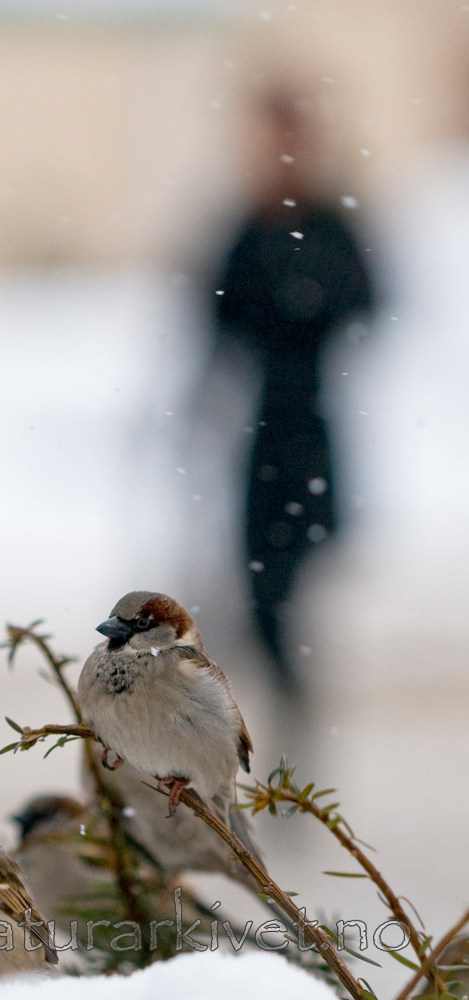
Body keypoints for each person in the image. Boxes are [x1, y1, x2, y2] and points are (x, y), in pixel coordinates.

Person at [214, 90, 375, 695]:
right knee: (264, 576)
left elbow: (363, 301)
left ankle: (297, 692)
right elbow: (218, 317)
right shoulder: (249, 226)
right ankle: (284, 685)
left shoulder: (331, 223)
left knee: (305, 559)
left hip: (311, 417)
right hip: (261, 421)